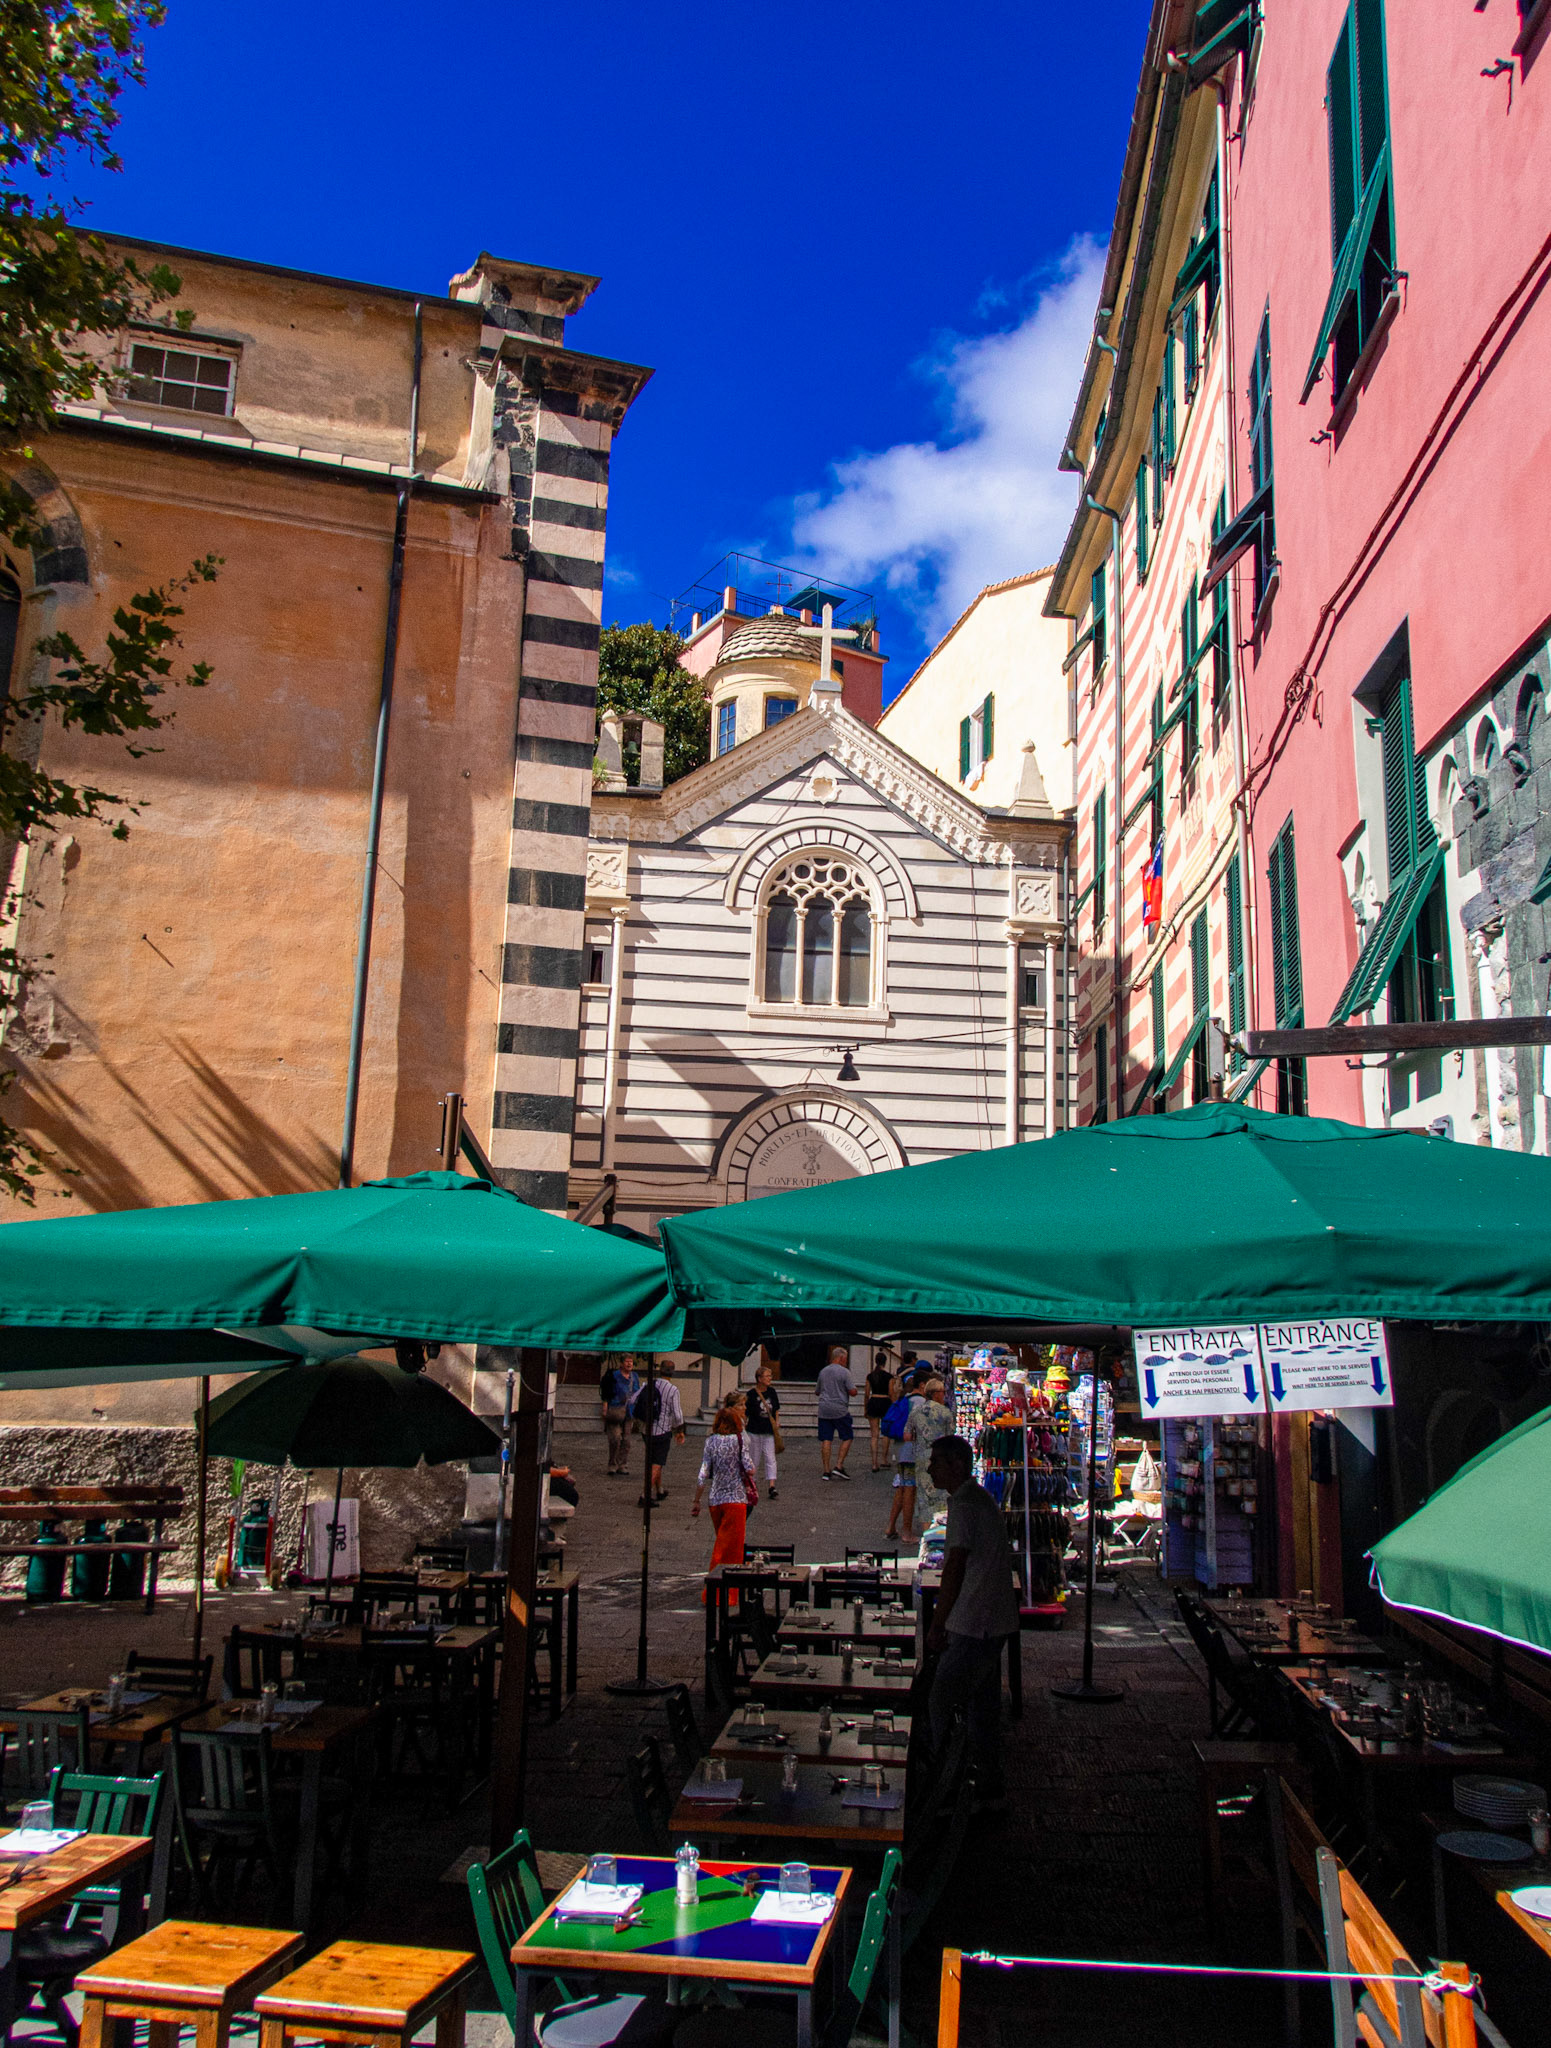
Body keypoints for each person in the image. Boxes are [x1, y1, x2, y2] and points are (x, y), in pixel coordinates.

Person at [924, 1434, 1020, 1812]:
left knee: (941, 1697)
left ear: (957, 1465)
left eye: (937, 1461)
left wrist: (938, 1622)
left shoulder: (965, 1504)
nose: (930, 1467)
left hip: (975, 1620)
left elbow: (956, 1566)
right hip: (990, 1617)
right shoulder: (975, 1500)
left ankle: (944, 1779)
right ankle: (986, 1784)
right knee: (982, 1703)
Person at [692, 1397, 756, 1581]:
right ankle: (724, 1588)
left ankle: (718, 1585)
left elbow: (703, 1472)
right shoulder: (738, 1441)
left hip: (715, 1499)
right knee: (731, 1549)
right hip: (736, 1498)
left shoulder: (710, 1441)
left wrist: (697, 1500)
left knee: (722, 1541)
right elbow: (749, 1468)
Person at [633, 1368, 685, 1506]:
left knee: (654, 1461)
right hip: (662, 1431)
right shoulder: (673, 1389)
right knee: (657, 1463)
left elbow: (633, 1399)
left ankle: (660, 1490)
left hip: (646, 1430)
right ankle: (645, 1495)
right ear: (672, 1372)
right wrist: (679, 1430)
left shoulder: (648, 1384)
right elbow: (678, 1415)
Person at [907, 1377, 956, 1522]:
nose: (944, 1395)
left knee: (924, 1498)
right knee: (941, 1496)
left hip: (922, 1458)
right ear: (936, 1394)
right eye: (943, 1392)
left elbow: (907, 1434)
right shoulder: (946, 1413)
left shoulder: (916, 1411)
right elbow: (951, 1436)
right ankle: (940, 1533)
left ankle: (927, 1535)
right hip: (941, 1459)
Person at [815, 1346, 857, 1480]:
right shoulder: (845, 1372)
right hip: (839, 1408)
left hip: (824, 1408)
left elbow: (817, 1391)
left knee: (826, 1439)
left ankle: (826, 1471)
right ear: (841, 1358)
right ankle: (839, 1465)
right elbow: (852, 1391)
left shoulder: (823, 1371)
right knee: (847, 1436)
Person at [744, 1361, 782, 1498]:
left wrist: (776, 1422)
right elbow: (745, 1413)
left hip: (768, 1430)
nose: (770, 1378)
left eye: (770, 1376)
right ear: (759, 1378)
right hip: (754, 1430)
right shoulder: (751, 1394)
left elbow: (776, 1409)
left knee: (770, 1458)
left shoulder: (772, 1392)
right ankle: (752, 1484)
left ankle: (772, 1486)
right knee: (754, 1458)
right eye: (767, 1376)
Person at [598, 1354, 641, 1477]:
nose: (629, 1364)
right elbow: (606, 1392)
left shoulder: (634, 1377)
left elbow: (637, 1392)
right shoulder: (614, 1376)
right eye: (627, 1362)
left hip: (629, 1411)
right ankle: (612, 1464)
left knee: (626, 1441)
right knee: (615, 1438)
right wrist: (605, 1407)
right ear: (621, 1363)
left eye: (631, 1362)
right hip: (615, 1410)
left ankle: (622, 1464)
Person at [865, 1350, 896, 1472]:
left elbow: (867, 1394)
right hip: (885, 1403)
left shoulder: (870, 1376)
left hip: (873, 1402)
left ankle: (874, 1462)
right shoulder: (889, 1377)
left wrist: (865, 1408)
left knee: (874, 1435)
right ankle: (884, 1459)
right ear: (885, 1362)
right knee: (885, 1433)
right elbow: (891, 1393)